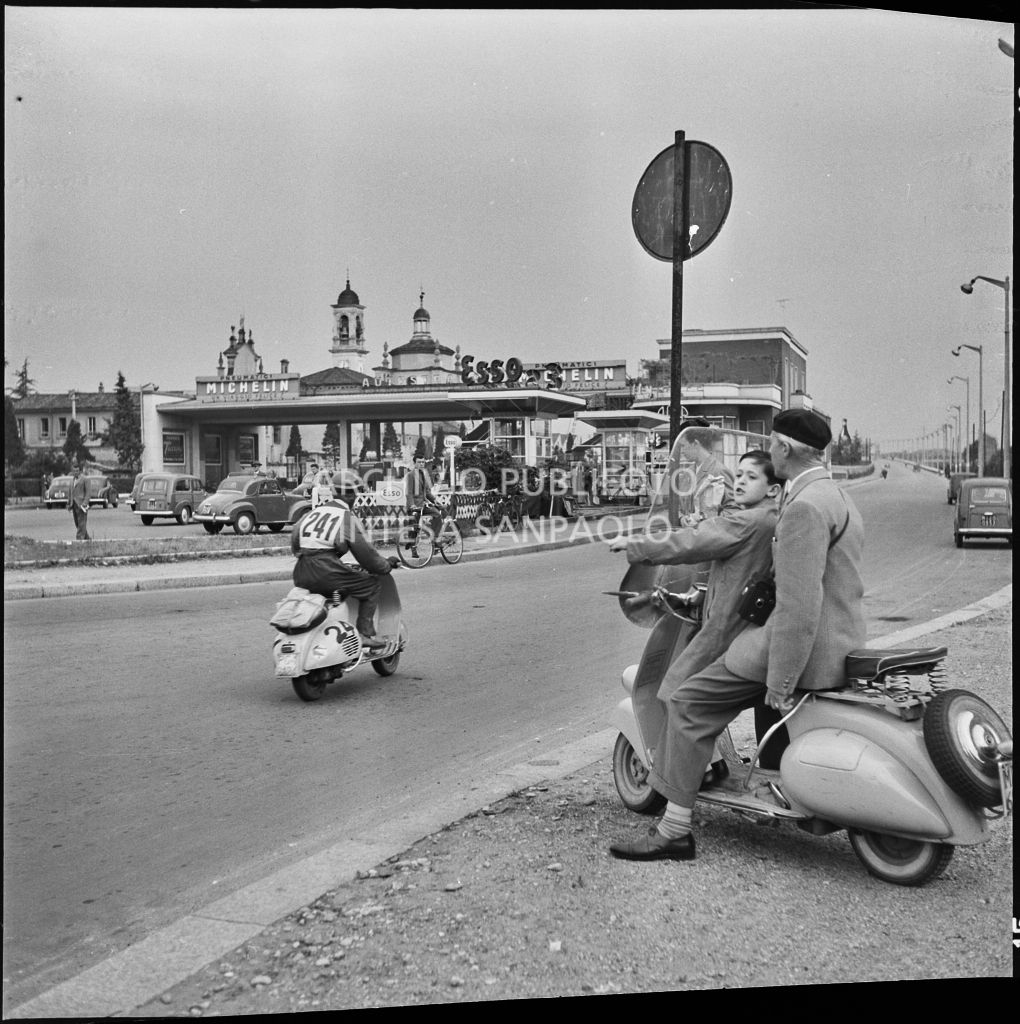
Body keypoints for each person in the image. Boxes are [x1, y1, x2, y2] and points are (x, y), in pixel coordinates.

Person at [609, 408, 866, 862]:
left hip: (802, 650)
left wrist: (781, 683)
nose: (769, 452)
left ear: (784, 448)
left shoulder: (803, 508)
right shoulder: (833, 495)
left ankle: (674, 831)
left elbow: (798, 607)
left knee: (686, 701)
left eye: (772, 445)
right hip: (838, 641)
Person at [290, 497, 399, 648]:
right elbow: (368, 558)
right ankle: (364, 635)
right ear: (353, 497)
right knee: (371, 585)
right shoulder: (345, 518)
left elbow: (295, 544)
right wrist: (386, 565)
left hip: (301, 572)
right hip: (328, 570)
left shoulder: (310, 514)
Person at [406, 455, 443, 539]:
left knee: (437, 514)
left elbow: (427, 492)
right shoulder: (411, 475)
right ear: (414, 463)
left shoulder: (424, 474)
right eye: (419, 462)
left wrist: (434, 500)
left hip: (423, 504)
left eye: (423, 462)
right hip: (414, 505)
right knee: (414, 528)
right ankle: (411, 544)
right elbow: (409, 492)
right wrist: (412, 505)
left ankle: (435, 538)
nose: (421, 464)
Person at [66, 462, 91, 541]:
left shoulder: (85, 479)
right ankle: (87, 539)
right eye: (74, 471)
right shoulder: (72, 480)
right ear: (72, 471)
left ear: (80, 471)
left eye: (77, 471)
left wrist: (84, 503)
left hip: (81, 505)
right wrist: (69, 503)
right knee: (78, 524)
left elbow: (88, 493)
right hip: (74, 505)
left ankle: (79, 540)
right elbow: (70, 493)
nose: (75, 472)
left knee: (81, 523)